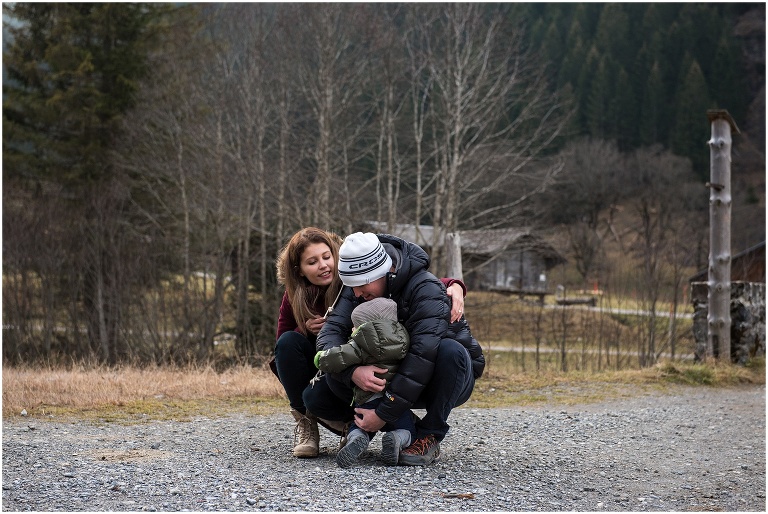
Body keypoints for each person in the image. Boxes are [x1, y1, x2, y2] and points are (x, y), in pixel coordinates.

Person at [272, 227, 468, 459]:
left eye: (326, 257)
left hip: (432, 373)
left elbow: (421, 357)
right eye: (312, 262)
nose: (356, 293)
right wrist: (352, 372)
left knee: (449, 351)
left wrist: (384, 413)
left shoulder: (420, 288)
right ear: (300, 270)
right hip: (380, 369)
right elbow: (323, 335)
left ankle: (429, 435)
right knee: (317, 391)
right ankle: (373, 425)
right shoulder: (352, 287)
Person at [314, 297, 415, 468]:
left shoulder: (361, 344)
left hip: (369, 398)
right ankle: (398, 438)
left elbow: (336, 358)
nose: (352, 329)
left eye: (355, 326)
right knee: (407, 428)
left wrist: (319, 358)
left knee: (360, 425)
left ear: (365, 327)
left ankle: (356, 438)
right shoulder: (405, 339)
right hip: (394, 400)